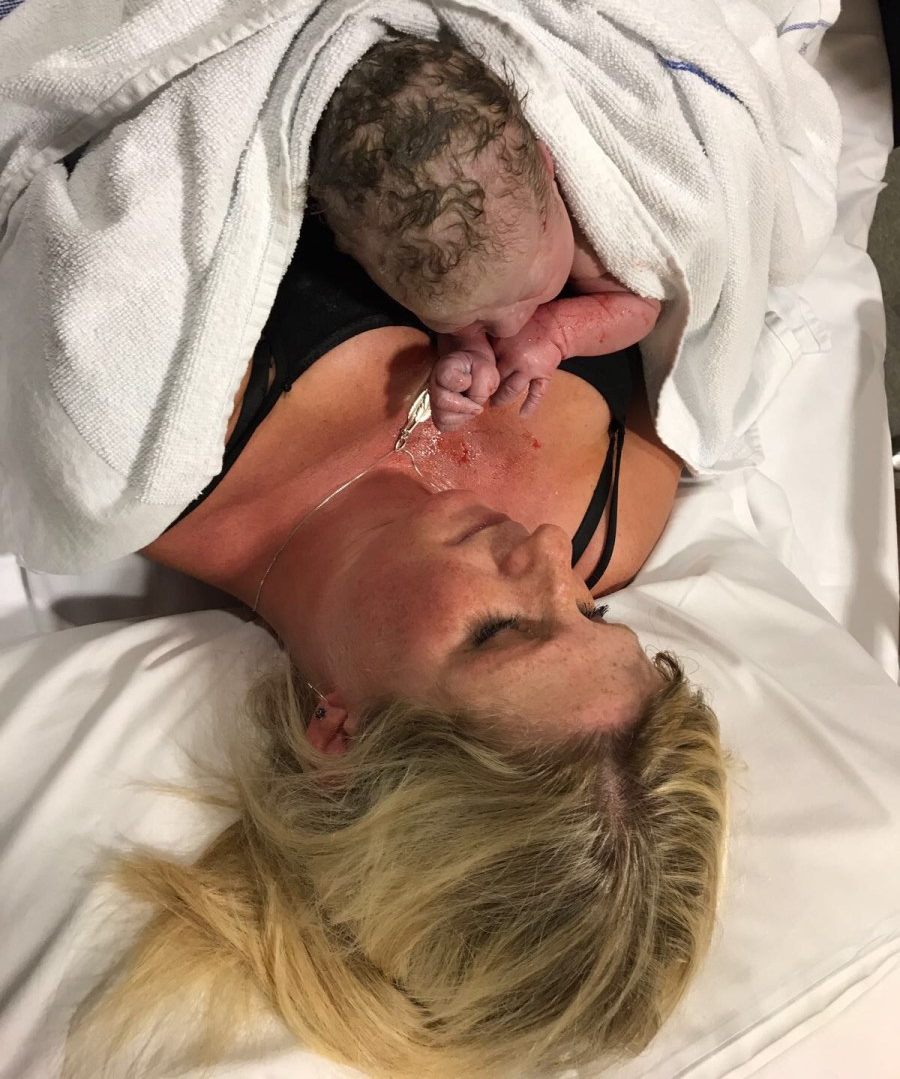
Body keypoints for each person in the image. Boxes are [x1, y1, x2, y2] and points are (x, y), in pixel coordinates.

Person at [64, 200, 729, 1079]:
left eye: (500, 633)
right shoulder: (613, 521)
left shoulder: (132, 439)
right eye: (595, 616)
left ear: (341, 737)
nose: (550, 553)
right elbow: (699, 259)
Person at [310, 37, 662, 431]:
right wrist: (468, 353)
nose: (510, 329)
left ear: (547, 168)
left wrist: (558, 334)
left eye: (529, 289)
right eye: (463, 317)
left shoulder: (577, 230)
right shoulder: (415, 254)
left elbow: (643, 304)